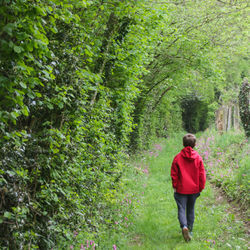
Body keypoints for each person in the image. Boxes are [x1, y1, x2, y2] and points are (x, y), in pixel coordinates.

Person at [170, 133, 206, 242]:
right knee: (191, 209)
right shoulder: (198, 158)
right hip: (194, 189)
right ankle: (189, 230)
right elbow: (202, 174)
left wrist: (175, 186)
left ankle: (184, 226)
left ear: (183, 144)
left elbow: (174, 174)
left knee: (182, 209)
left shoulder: (177, 158)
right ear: (195, 144)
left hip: (181, 189)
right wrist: (201, 187)